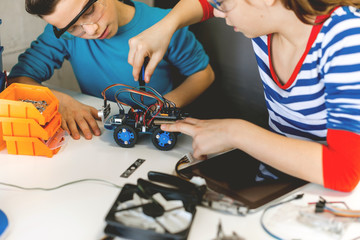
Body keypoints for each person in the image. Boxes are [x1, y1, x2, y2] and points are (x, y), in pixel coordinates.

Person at [127, 0, 360, 192]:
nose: (220, 13)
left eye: (224, 4)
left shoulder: (346, 40)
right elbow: (205, 4)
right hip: (274, 183)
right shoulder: (265, 22)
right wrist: (166, 26)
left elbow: (344, 171)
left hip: (325, 193)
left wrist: (235, 133)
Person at [7, 0, 214, 140]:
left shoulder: (164, 24)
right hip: (102, 137)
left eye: (89, 12)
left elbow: (203, 74)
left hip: (157, 132)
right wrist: (59, 101)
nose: (91, 30)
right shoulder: (62, 35)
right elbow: (18, 80)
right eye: (73, 27)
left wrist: (163, 108)